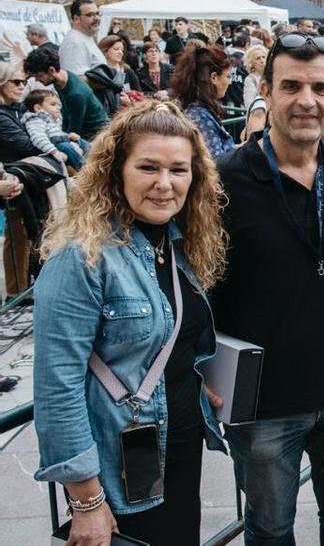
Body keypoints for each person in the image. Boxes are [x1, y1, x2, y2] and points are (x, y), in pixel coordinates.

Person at [210, 33, 324, 545]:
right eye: (290, 86)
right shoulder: (224, 181)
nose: (306, 100)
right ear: (265, 91)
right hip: (264, 402)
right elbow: (199, 286)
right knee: (268, 528)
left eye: (319, 88)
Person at [32, 100, 228, 545]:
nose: (165, 184)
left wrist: (193, 381)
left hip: (175, 452)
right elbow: (56, 387)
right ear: (116, 170)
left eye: (179, 170)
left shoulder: (176, 243)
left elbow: (167, 341)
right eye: (148, 167)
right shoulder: (82, 258)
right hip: (117, 473)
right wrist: (86, 501)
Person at [23, 46, 109, 140]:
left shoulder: (76, 94)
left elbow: (74, 130)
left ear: (52, 70)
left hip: (96, 136)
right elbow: (66, 113)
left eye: (39, 75)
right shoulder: (61, 80)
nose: (36, 80)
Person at [172, 45, 234, 158]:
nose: (229, 82)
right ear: (214, 77)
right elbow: (216, 162)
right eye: (228, 76)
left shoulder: (200, 110)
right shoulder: (198, 116)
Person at [23, 89, 89, 169]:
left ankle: (93, 155)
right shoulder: (36, 120)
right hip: (53, 147)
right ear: (38, 108)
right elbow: (39, 138)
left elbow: (56, 133)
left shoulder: (51, 119)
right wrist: (54, 151)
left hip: (61, 141)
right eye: (53, 104)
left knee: (80, 140)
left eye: (59, 105)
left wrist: (68, 136)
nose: (58, 108)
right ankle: (83, 167)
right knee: (65, 146)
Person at [58, 0, 105, 75]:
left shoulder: (85, 37)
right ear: (77, 19)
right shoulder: (74, 42)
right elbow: (75, 79)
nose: (97, 18)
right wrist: (106, 80)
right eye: (90, 15)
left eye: (97, 13)